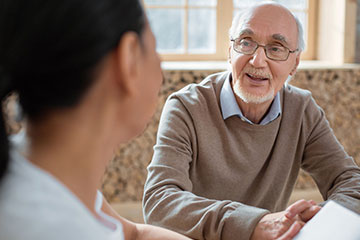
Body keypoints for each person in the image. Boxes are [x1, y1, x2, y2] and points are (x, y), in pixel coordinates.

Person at [143, 2, 360, 240]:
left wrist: (315, 220)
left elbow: (351, 183)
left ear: (294, 64)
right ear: (230, 51)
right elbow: (159, 202)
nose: (257, 61)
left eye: (276, 48)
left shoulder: (302, 110)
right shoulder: (186, 107)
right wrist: (256, 224)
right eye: (246, 42)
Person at [0, 0, 191, 239]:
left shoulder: (44, 178)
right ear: (129, 58)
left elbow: (134, 234)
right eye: (154, 47)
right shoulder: (55, 228)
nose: (160, 66)